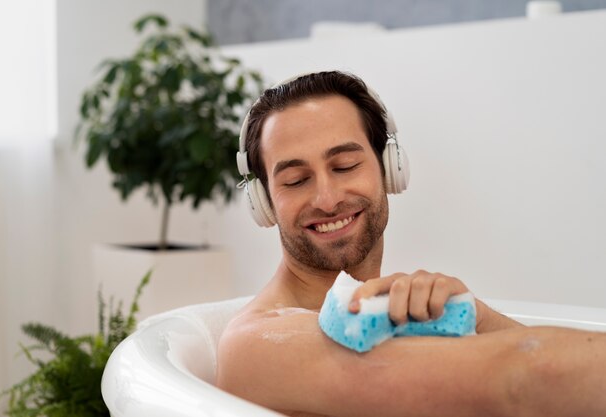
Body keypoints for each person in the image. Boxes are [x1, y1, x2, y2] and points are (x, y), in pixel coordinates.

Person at [216, 71, 606, 417]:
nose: (327, 198)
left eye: (345, 166)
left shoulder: (384, 313)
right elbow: (523, 382)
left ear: (389, 168)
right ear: (264, 203)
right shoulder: (254, 345)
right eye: (296, 180)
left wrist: (479, 318)